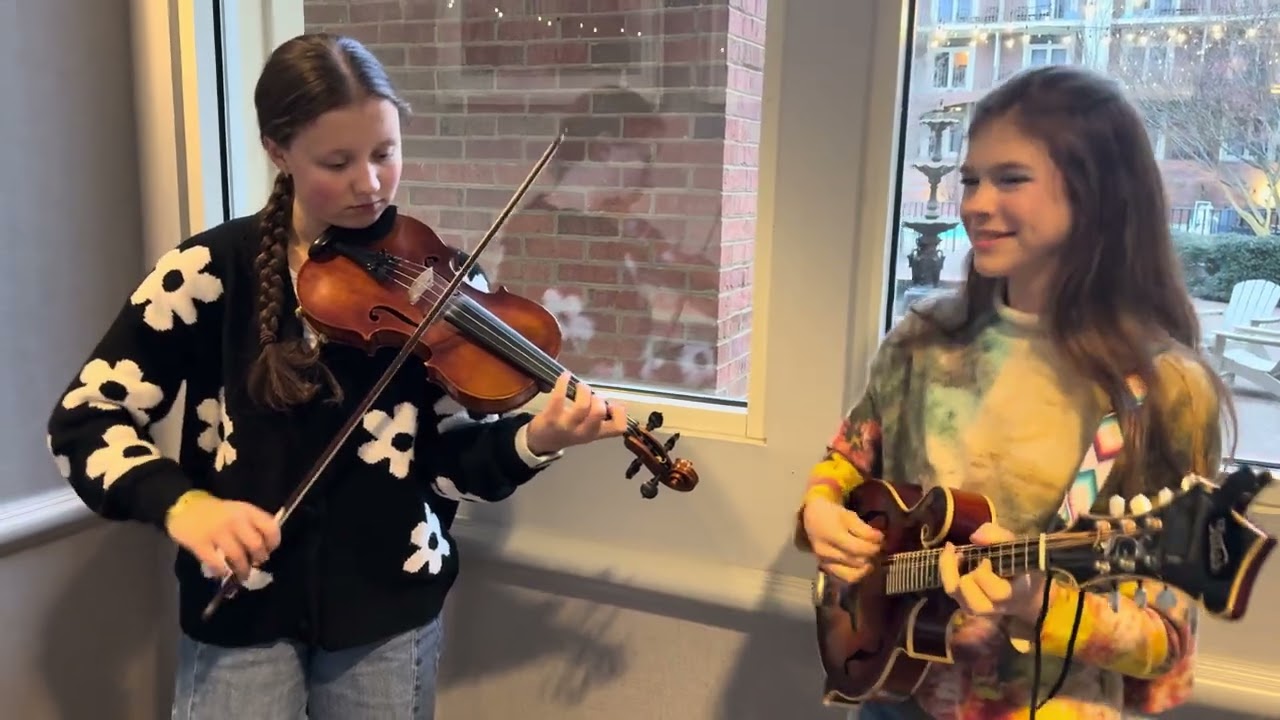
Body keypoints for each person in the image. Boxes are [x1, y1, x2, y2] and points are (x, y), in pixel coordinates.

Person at [45, 33, 627, 719]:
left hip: (389, 610)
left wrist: (539, 439)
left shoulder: (443, 280)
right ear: (277, 151)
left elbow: (448, 464)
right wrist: (185, 504)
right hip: (244, 610)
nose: (371, 183)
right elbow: (87, 419)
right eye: (337, 161)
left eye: (385, 153)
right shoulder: (206, 273)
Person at [795, 64, 1233, 720]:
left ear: (1095, 195)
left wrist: (1038, 603)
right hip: (894, 692)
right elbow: (848, 461)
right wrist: (821, 513)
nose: (975, 202)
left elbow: (1165, 643)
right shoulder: (923, 339)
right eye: (971, 179)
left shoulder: (1163, 390)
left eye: (1011, 179)